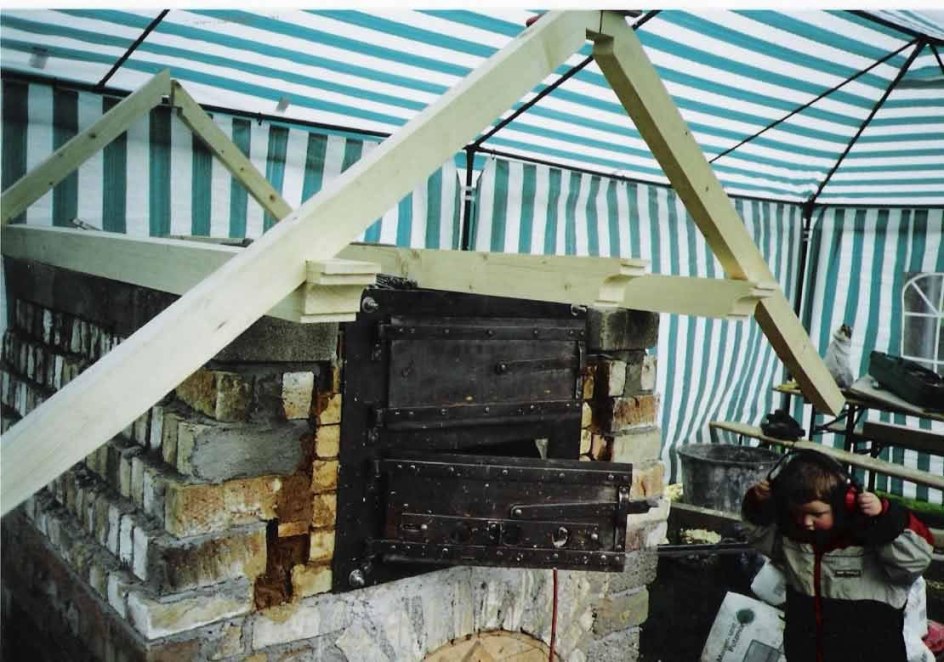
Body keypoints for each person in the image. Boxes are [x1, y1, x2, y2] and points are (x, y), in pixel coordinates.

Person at [741, 449, 935, 661]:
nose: (806, 522)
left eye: (816, 514)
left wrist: (885, 520)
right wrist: (759, 506)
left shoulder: (869, 535)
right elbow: (760, 537)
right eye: (798, 513)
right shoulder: (792, 536)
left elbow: (916, 560)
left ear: (846, 502)